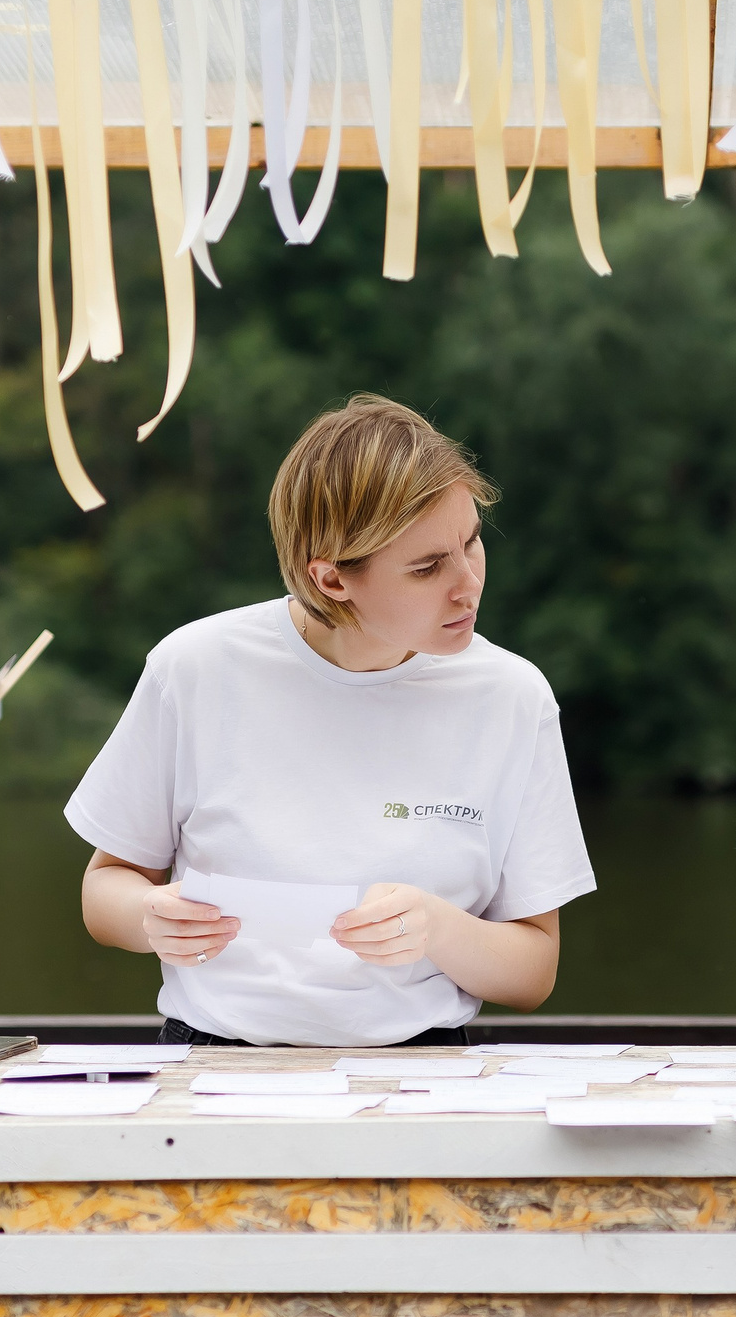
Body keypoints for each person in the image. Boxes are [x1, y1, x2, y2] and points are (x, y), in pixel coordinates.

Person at [66, 395, 596, 1047]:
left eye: (471, 542)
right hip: (209, 1075)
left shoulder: (513, 696)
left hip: (424, 1080)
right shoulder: (194, 668)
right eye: (428, 567)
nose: (468, 582)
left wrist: (439, 927)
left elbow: (534, 970)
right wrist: (148, 916)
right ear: (332, 579)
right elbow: (104, 888)